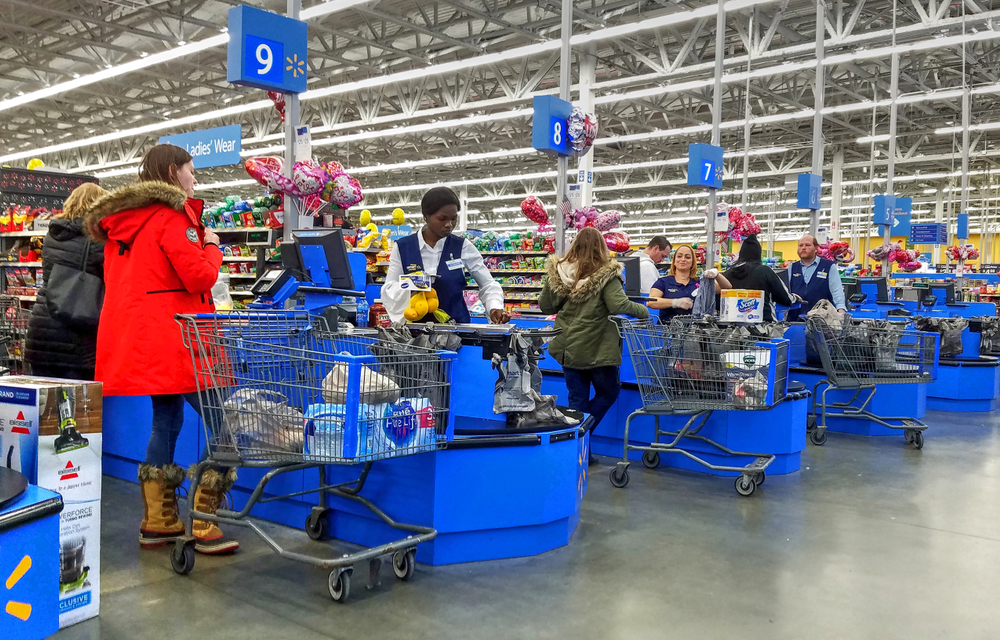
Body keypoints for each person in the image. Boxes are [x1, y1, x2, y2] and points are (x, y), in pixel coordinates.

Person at [84, 143, 238, 555]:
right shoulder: (171, 217)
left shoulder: (123, 224)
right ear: (173, 171)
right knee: (228, 419)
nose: (195, 179)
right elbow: (199, 278)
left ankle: (158, 520)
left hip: (148, 342)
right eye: (191, 170)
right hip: (180, 341)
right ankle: (205, 521)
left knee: (165, 420)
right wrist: (211, 245)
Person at [539, 227, 649, 466]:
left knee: (577, 399)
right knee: (608, 392)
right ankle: (580, 436)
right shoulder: (606, 274)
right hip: (597, 347)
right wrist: (643, 311)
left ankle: (577, 449)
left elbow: (546, 306)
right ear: (601, 247)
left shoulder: (559, 272)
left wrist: (550, 281)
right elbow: (619, 304)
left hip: (568, 347)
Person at [382, 186, 510, 324]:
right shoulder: (402, 247)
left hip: (457, 331)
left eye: (454, 219)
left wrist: (494, 307)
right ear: (426, 216)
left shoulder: (463, 246)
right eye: (442, 218)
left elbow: (488, 284)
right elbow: (389, 288)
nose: (449, 224)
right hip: (414, 332)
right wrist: (410, 287)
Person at [24, 183, 108, 380]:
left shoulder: (53, 235)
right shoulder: (98, 240)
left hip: (42, 327)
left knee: (46, 405)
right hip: (77, 334)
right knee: (79, 406)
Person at [645, 244, 731, 322]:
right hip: (668, 332)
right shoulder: (663, 282)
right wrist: (675, 302)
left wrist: (717, 274)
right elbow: (651, 302)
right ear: (674, 261)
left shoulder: (700, 283)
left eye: (687, 257)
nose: (683, 259)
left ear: (692, 262)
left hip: (694, 333)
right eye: (679, 256)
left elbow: (727, 288)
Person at [722, 235, 794, 322]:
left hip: (734, 327)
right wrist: (795, 298)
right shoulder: (764, 271)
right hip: (764, 326)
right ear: (758, 253)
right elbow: (786, 298)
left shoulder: (726, 274)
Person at [786, 235, 846, 320]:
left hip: (822, 321)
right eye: (801, 245)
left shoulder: (828, 266)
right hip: (795, 319)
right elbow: (784, 291)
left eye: (807, 245)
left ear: (816, 249)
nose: (803, 248)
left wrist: (841, 310)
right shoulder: (791, 267)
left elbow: (837, 290)